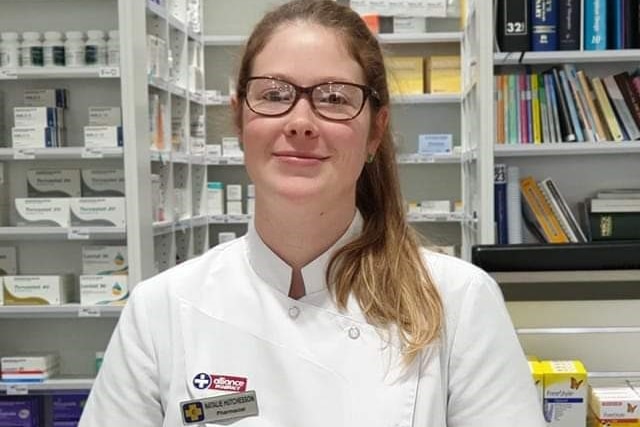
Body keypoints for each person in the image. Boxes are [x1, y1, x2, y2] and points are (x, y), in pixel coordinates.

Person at [79, 1, 545, 426]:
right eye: (275, 94)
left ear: (375, 131)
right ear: (241, 119)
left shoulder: (458, 302)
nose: (300, 121)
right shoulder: (160, 310)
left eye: (334, 98)